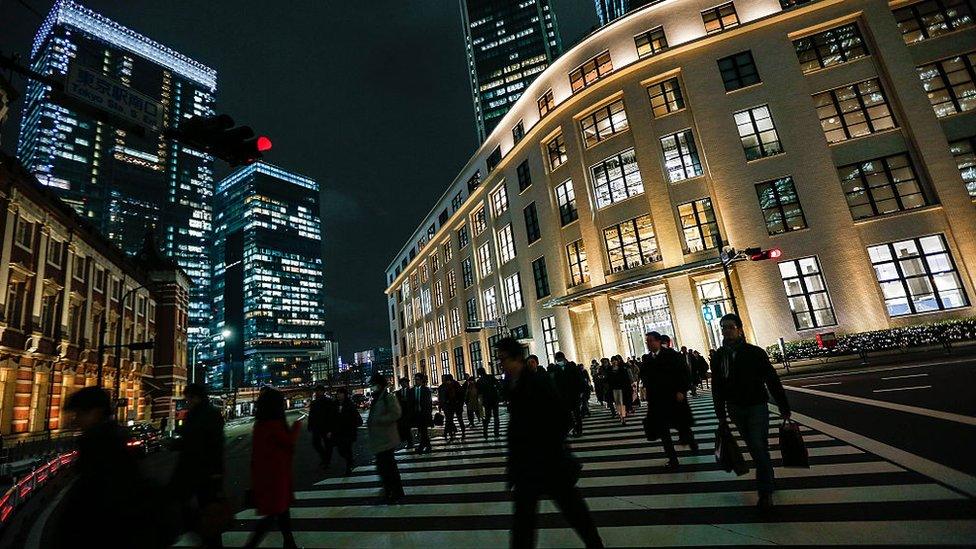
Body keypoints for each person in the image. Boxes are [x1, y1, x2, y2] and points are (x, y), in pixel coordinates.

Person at [495, 337, 603, 549]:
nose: (502, 364)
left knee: (573, 510)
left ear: (517, 358)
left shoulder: (537, 381)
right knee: (523, 522)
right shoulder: (513, 385)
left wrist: (546, 445)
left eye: (504, 359)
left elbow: (563, 418)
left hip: (549, 461)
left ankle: (595, 544)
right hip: (528, 466)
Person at [54, 387, 170, 549]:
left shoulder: (103, 445)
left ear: (95, 412)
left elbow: (102, 500)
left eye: (79, 414)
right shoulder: (105, 440)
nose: (75, 420)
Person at [711, 313, 792, 511]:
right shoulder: (720, 356)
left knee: (757, 445)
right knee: (755, 446)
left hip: (756, 404)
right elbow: (717, 386)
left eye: (730, 327)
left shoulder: (754, 352)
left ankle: (765, 493)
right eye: (723, 327)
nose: (726, 330)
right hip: (735, 407)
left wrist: (783, 405)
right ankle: (769, 478)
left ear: (739, 329)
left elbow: (771, 379)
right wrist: (720, 413)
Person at [243, 388, 301, 549]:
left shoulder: (261, 422)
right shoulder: (273, 424)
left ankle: (289, 542)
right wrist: (296, 426)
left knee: (282, 510)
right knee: (274, 512)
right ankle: (251, 545)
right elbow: (288, 441)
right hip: (275, 475)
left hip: (266, 473)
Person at [171, 383, 225, 549]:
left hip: (201, 472)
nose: (186, 401)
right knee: (205, 513)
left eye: (188, 398)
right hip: (202, 472)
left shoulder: (200, 415)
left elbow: (206, 443)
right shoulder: (206, 413)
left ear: (195, 397)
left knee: (204, 514)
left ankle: (208, 539)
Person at [640, 332, 697, 470]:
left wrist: (681, 390)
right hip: (657, 401)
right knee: (663, 432)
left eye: (651, 341)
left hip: (673, 398)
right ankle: (673, 459)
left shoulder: (672, 355)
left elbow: (684, 373)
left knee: (681, 425)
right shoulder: (647, 359)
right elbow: (646, 377)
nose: (648, 343)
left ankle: (692, 444)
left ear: (659, 341)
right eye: (647, 341)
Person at [367, 373, 404, 504]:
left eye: (374, 385)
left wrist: (379, 420)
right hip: (380, 439)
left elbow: (396, 413)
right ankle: (394, 491)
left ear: (379, 385)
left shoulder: (388, 397)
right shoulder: (377, 398)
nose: (372, 388)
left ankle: (393, 492)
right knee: (386, 467)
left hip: (387, 438)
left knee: (387, 467)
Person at [550, 352, 586, 437]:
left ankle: (579, 430)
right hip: (563, 396)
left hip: (574, 394)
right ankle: (572, 429)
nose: (559, 361)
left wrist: (581, 391)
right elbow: (555, 383)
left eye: (560, 360)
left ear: (563, 358)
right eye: (557, 360)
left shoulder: (571, 366)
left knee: (577, 413)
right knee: (568, 414)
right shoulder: (556, 368)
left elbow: (579, 379)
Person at [333, 387, 363, 475]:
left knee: (347, 448)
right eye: (337, 394)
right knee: (340, 449)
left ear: (344, 395)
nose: (338, 395)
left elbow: (356, 416)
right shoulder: (334, 404)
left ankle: (348, 467)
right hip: (338, 431)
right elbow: (331, 418)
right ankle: (349, 460)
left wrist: (354, 425)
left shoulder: (350, 404)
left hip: (348, 431)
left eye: (340, 394)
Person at [308, 385, 337, 469]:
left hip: (325, 426)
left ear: (322, 392)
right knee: (318, 443)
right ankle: (325, 459)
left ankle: (326, 460)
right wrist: (310, 425)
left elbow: (332, 415)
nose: (317, 393)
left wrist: (331, 429)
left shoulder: (328, 401)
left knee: (327, 444)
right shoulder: (315, 402)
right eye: (316, 391)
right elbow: (311, 415)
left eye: (318, 391)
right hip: (318, 426)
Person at [408, 372, 434, 453]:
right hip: (416, 414)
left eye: (418, 380)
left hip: (424, 413)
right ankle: (424, 446)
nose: (416, 381)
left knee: (423, 431)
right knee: (422, 431)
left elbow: (428, 403)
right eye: (415, 380)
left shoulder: (426, 390)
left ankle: (424, 447)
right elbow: (410, 403)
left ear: (422, 380)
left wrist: (429, 413)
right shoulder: (412, 390)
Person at [438, 374, 466, 442]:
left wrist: (460, 404)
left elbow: (461, 395)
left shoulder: (456, 385)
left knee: (459, 419)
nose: (447, 382)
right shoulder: (445, 386)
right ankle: (451, 434)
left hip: (456, 405)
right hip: (450, 405)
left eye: (447, 380)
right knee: (450, 420)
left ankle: (462, 432)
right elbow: (443, 397)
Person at [476, 366, 502, 438]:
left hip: (486, 401)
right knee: (496, 416)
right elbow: (498, 385)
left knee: (487, 417)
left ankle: (485, 431)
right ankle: (496, 432)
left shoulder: (479, 381)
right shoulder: (491, 377)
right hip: (494, 399)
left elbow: (478, 393)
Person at [608, 356, 633, 424]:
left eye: (615, 360)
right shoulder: (610, 369)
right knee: (617, 403)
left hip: (622, 388)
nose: (614, 362)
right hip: (614, 388)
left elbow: (626, 379)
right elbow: (608, 380)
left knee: (622, 403)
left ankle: (623, 417)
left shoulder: (622, 369)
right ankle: (620, 415)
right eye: (612, 361)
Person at [395, 376, 414, 449]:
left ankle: (410, 442)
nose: (403, 384)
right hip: (401, 413)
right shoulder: (398, 392)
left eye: (404, 383)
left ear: (407, 383)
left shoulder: (411, 391)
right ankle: (408, 441)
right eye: (402, 383)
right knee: (404, 428)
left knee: (408, 428)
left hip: (409, 412)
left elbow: (413, 401)